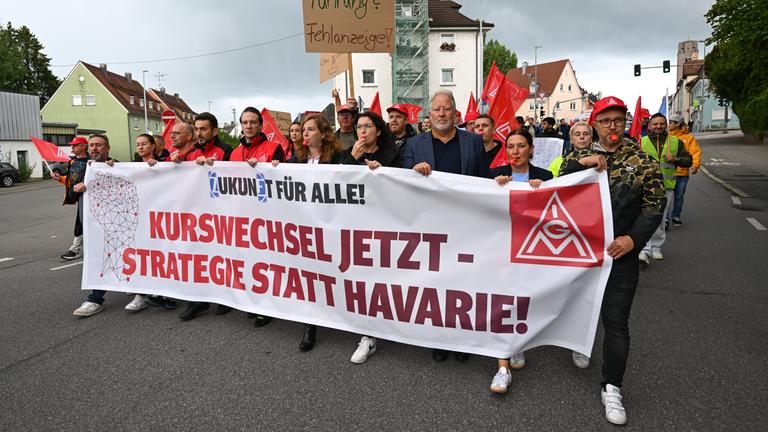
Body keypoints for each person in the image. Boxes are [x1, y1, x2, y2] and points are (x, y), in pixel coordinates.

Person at [559, 96, 666, 425]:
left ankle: (612, 387)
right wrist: (584, 162)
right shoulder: (577, 157)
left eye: (618, 120)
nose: (612, 126)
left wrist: (634, 239)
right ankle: (581, 342)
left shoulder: (644, 162)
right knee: (577, 305)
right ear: (595, 125)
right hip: (580, 254)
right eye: (605, 121)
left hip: (620, 254)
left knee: (616, 321)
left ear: (626, 122)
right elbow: (557, 186)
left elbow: (654, 205)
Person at [403, 89, 489, 363]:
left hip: (466, 226)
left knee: (463, 284)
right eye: (437, 109)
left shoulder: (473, 142)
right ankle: (439, 337)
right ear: (430, 114)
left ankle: (463, 339)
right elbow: (401, 183)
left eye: (447, 109)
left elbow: (485, 181)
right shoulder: (415, 145)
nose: (442, 113)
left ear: (455, 113)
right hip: (431, 227)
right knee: (437, 284)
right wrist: (414, 174)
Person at [486, 128, 553, 393]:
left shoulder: (545, 177)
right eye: (510, 147)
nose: (515, 152)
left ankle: (519, 344)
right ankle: (502, 367)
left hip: (529, 249)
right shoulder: (494, 176)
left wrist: (542, 190)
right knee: (502, 300)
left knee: (523, 299)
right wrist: (495, 188)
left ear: (531, 149)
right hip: (500, 248)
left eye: (521, 146)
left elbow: (553, 212)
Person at [273, 114, 341, 351]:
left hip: (331, 224)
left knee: (333, 273)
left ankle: (342, 315)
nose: (305, 133)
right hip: (304, 226)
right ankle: (310, 325)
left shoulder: (338, 158)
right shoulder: (295, 160)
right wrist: (273, 170)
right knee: (308, 275)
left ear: (323, 134)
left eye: (310, 129)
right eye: (303, 130)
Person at [176, 113, 234, 321]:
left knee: (223, 256)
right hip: (197, 215)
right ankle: (198, 301)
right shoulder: (190, 153)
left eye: (203, 129)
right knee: (198, 257)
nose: (199, 133)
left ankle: (227, 298)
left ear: (214, 131)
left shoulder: (227, 151)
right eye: (197, 129)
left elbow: (235, 180)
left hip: (220, 214)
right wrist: (171, 162)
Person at [72, 134, 117, 317]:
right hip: (95, 227)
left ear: (107, 148)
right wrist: (76, 188)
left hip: (118, 225)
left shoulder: (118, 166)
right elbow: (71, 193)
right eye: (92, 145)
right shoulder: (82, 168)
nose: (94, 148)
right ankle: (95, 299)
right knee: (97, 260)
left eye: (99, 145)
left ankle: (139, 292)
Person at [638, 113, 692, 265]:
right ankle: (645, 249)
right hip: (645, 185)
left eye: (661, 124)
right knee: (644, 215)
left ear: (666, 125)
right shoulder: (641, 142)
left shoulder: (675, 142)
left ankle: (656, 247)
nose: (658, 127)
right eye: (655, 124)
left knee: (660, 217)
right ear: (650, 125)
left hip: (666, 185)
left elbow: (688, 160)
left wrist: (676, 159)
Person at [55, 136, 89, 261]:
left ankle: (75, 249)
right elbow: (70, 180)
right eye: (72, 145)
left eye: (75, 145)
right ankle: (75, 249)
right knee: (80, 222)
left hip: (90, 197)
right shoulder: (72, 162)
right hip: (77, 195)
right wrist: (60, 178)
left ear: (84, 146)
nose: (72, 148)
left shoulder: (92, 161)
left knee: (83, 223)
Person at [668, 114, 701, 226]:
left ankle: (676, 216)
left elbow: (695, 152)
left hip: (682, 173)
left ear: (677, 124)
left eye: (670, 122)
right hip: (667, 172)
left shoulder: (688, 138)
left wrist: (695, 165)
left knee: (679, 196)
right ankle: (666, 218)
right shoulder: (665, 137)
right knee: (666, 197)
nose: (668, 124)